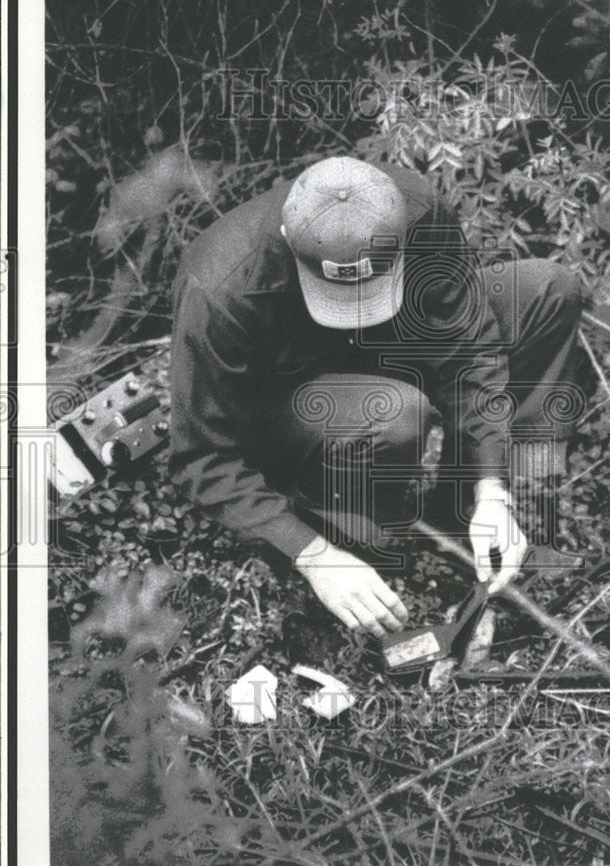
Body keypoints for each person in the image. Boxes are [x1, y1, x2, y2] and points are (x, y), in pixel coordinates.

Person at [170, 156, 586, 638]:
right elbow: (200, 458)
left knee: (547, 290)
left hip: (383, 355)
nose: (356, 308)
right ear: (288, 238)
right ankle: (360, 544)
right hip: (290, 405)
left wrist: (491, 487)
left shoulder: (414, 209)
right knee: (395, 411)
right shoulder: (219, 285)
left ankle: (467, 517)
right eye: (337, 293)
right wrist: (314, 555)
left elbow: (471, 346)